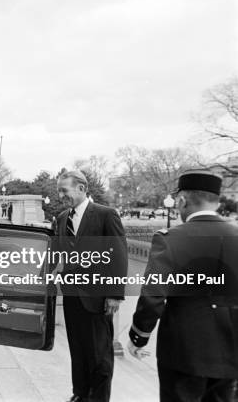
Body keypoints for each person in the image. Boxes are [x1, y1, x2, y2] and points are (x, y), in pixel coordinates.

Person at [128, 169, 238, 402]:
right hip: (230, 350)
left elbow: (153, 296)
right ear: (217, 201)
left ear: (181, 200)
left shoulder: (171, 238)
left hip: (183, 351)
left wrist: (139, 336)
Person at [55, 170, 127, 402]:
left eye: (63, 190)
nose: (60, 195)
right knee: (78, 350)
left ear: (81, 188)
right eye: (59, 191)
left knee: (99, 355)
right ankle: (80, 393)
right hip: (72, 296)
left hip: (98, 298)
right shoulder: (62, 218)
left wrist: (114, 295)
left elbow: (119, 256)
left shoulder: (106, 215)